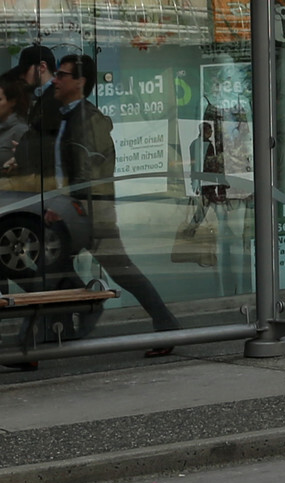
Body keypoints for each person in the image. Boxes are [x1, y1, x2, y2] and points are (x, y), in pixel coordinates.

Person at [36, 55, 180, 341]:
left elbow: (88, 172)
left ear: (80, 82)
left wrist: (62, 207)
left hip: (88, 211)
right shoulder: (67, 114)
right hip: (75, 209)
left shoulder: (89, 120)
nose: (55, 80)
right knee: (51, 267)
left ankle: (165, 325)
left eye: (62, 75)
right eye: (56, 74)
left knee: (120, 271)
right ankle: (58, 330)